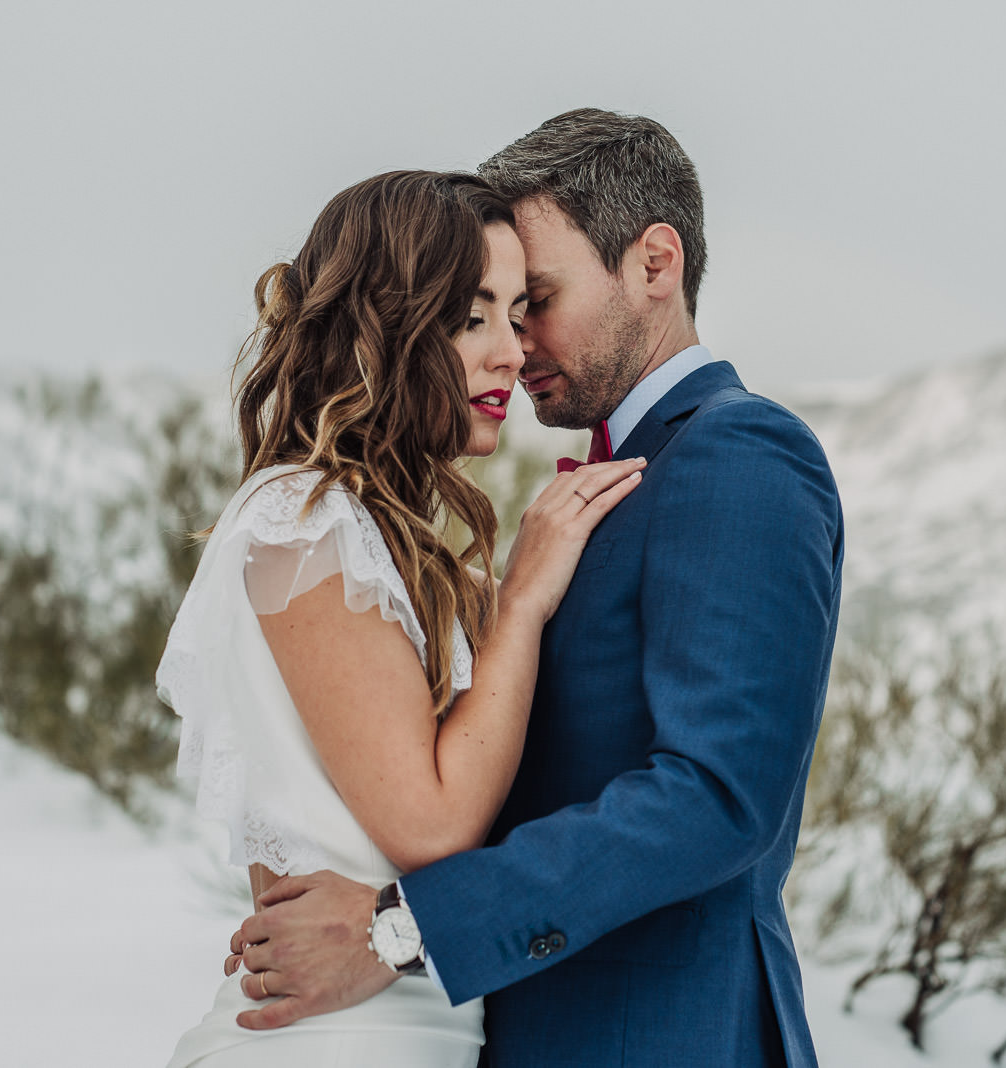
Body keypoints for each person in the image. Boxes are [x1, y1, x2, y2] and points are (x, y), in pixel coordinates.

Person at [225, 109, 845, 1066]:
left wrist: (403, 932)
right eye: (491, 313)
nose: (517, 346)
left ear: (654, 262)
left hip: (660, 1036)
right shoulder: (586, 491)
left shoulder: (737, 455)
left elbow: (717, 794)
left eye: (535, 299)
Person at [156, 169, 645, 1067]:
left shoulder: (370, 529)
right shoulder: (303, 521)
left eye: (516, 311)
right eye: (472, 318)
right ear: (386, 327)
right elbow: (428, 827)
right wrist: (524, 599)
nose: (511, 351)